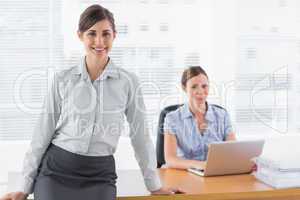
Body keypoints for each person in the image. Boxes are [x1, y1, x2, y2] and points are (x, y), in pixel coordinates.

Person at [0, 4, 178, 200]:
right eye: (92, 33)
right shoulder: (63, 79)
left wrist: (154, 185)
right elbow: (42, 134)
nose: (99, 41)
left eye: (106, 34)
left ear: (114, 36)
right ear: (80, 35)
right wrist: (24, 187)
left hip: (99, 175)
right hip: (57, 170)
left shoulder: (128, 82)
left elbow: (141, 136)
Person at [164, 66, 236, 170]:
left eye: (204, 86)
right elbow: (170, 159)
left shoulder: (222, 115)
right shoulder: (172, 119)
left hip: (215, 173)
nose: (200, 91)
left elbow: (233, 149)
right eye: (194, 87)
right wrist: (199, 165)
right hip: (185, 174)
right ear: (184, 88)